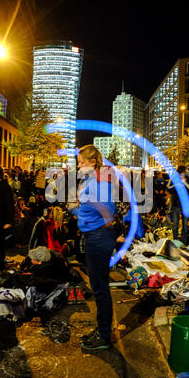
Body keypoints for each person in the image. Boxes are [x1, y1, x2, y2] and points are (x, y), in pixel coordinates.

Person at [69, 144, 117, 351]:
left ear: (91, 161)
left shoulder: (100, 178)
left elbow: (108, 208)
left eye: (81, 162)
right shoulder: (93, 178)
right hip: (95, 235)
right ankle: (102, 331)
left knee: (100, 288)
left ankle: (104, 335)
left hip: (99, 237)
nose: (79, 165)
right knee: (99, 286)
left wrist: (77, 211)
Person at [167, 165, 189, 245]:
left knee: (185, 225)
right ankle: (176, 241)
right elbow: (168, 188)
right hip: (176, 205)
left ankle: (184, 242)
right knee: (175, 225)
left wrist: (185, 183)